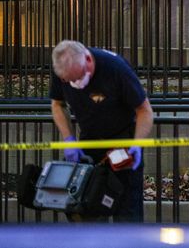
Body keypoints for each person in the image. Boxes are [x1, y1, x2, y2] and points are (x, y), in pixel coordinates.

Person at [49, 40, 154, 222]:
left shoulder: (115, 69)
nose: (76, 82)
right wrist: (69, 139)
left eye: (78, 76)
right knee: (87, 208)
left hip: (122, 143)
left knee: (127, 212)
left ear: (88, 60)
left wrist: (137, 144)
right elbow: (57, 104)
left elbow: (144, 110)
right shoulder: (62, 70)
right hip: (90, 141)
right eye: (70, 80)